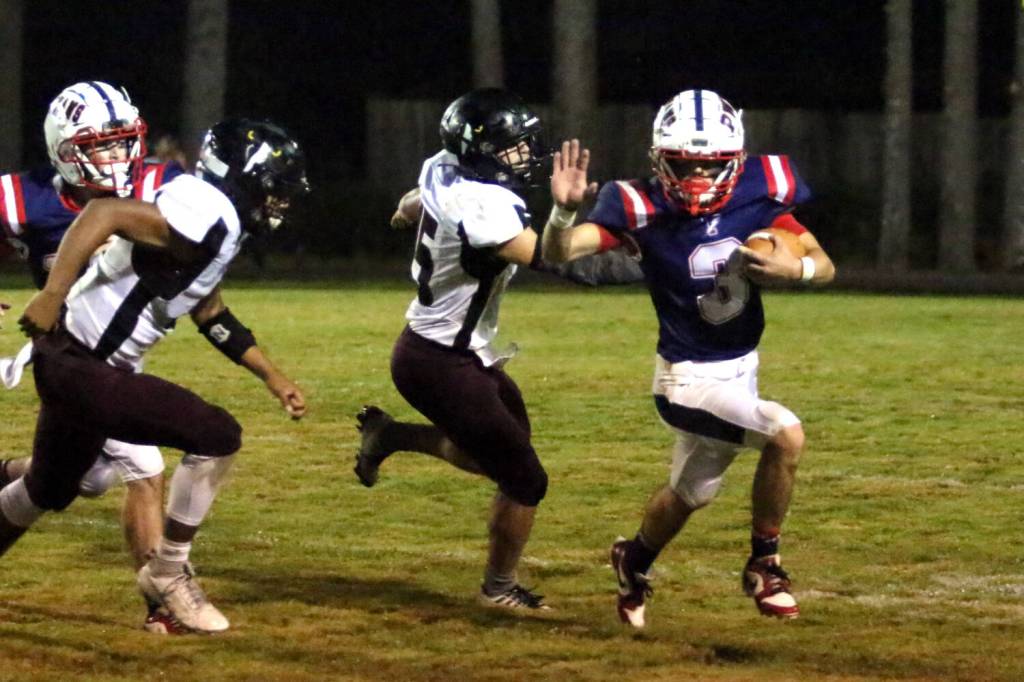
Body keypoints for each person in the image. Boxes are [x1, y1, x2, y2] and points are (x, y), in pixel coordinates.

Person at [0, 117, 310, 635]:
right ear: (246, 177)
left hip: (73, 363)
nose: (278, 203)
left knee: (44, 492)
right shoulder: (208, 209)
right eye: (275, 190)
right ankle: (167, 572)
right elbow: (105, 211)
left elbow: (209, 313)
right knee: (217, 435)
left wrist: (273, 378)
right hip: (82, 365)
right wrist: (51, 294)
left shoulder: (217, 218)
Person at [540, 89, 835, 627]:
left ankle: (633, 560)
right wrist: (563, 211)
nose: (697, 174)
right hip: (686, 380)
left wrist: (799, 272)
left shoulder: (760, 190)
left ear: (735, 162)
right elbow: (559, 252)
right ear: (660, 160)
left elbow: (822, 261)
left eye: (709, 163)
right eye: (684, 162)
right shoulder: (639, 205)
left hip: (741, 371)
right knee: (785, 433)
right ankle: (765, 565)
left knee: (688, 495)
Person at [356, 88, 557, 610]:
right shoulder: (482, 201)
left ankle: (390, 436)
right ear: (483, 149)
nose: (525, 156)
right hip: (439, 361)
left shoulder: (446, 168)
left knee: (502, 458)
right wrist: (586, 220)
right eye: (514, 147)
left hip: (448, 351)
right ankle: (498, 589)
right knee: (525, 478)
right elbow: (550, 255)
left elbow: (416, 197)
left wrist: (406, 211)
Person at [0, 81, 186, 629]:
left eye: (124, 141)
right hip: (69, 358)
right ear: (63, 148)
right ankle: (164, 605)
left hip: (121, 354)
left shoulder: (160, 183)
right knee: (144, 466)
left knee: (83, 478)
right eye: (99, 146)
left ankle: (8, 473)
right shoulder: (24, 199)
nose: (117, 156)